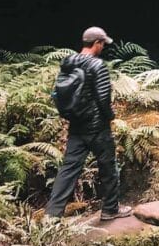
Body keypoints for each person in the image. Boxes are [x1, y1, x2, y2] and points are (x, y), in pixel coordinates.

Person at [44, 26, 132, 221]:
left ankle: (51, 215)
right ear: (97, 43)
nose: (103, 48)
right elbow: (103, 98)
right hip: (97, 127)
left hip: (76, 125)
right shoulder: (97, 66)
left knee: (68, 169)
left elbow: (60, 93)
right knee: (108, 167)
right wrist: (110, 117)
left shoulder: (68, 62)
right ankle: (110, 209)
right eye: (102, 44)